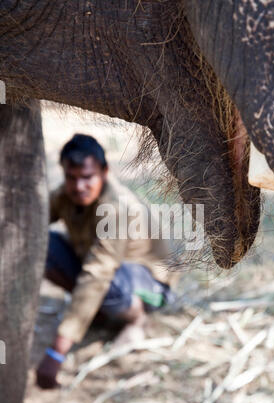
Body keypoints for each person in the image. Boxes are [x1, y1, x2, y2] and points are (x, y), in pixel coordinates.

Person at [36, 133, 178, 389]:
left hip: (151, 287)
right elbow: (34, 218)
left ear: (104, 172)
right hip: (105, 271)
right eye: (72, 177)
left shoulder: (117, 207)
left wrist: (57, 352)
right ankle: (98, 313)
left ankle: (136, 320)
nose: (79, 186)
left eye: (87, 177)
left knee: (106, 279)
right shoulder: (68, 194)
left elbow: (97, 274)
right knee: (41, 244)